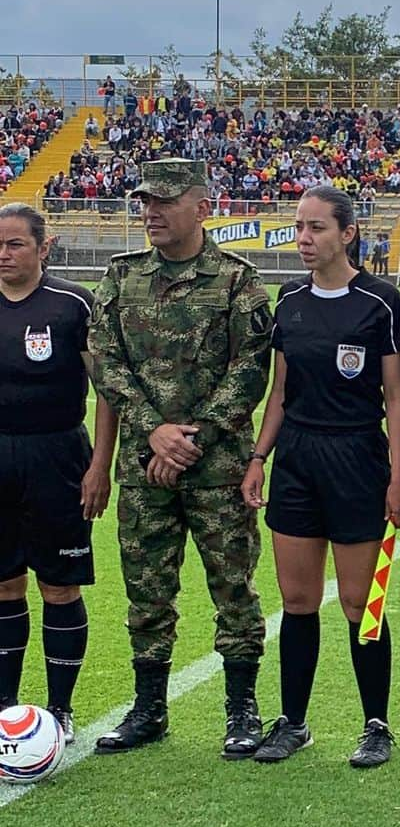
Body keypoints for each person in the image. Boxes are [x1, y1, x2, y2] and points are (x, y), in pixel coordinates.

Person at [88, 158, 273, 758]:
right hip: (146, 471)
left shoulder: (238, 280)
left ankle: (241, 710)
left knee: (234, 590)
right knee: (146, 591)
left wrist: (189, 438)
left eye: (165, 201)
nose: (151, 213)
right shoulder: (121, 278)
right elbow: (104, 362)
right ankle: (148, 710)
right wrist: (154, 432)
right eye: (145, 201)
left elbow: (252, 368)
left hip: (217, 471)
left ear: (203, 207)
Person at [241, 186, 400, 765]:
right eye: (299, 228)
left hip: (358, 459)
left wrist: (397, 474)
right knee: (297, 599)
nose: (304, 239)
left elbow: (395, 397)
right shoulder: (287, 301)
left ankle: (377, 725)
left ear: (347, 233)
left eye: (316, 228)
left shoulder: (381, 301)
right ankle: (293, 722)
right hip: (296, 460)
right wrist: (259, 457)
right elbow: (280, 392)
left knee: (362, 603)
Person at [0, 204, 117, 742]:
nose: (4, 254)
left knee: (60, 585)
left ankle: (61, 709)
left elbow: (107, 392)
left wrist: (99, 466)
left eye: (16, 244)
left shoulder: (73, 305)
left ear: (44, 249)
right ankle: (5, 706)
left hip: (59, 457)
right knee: (3, 585)